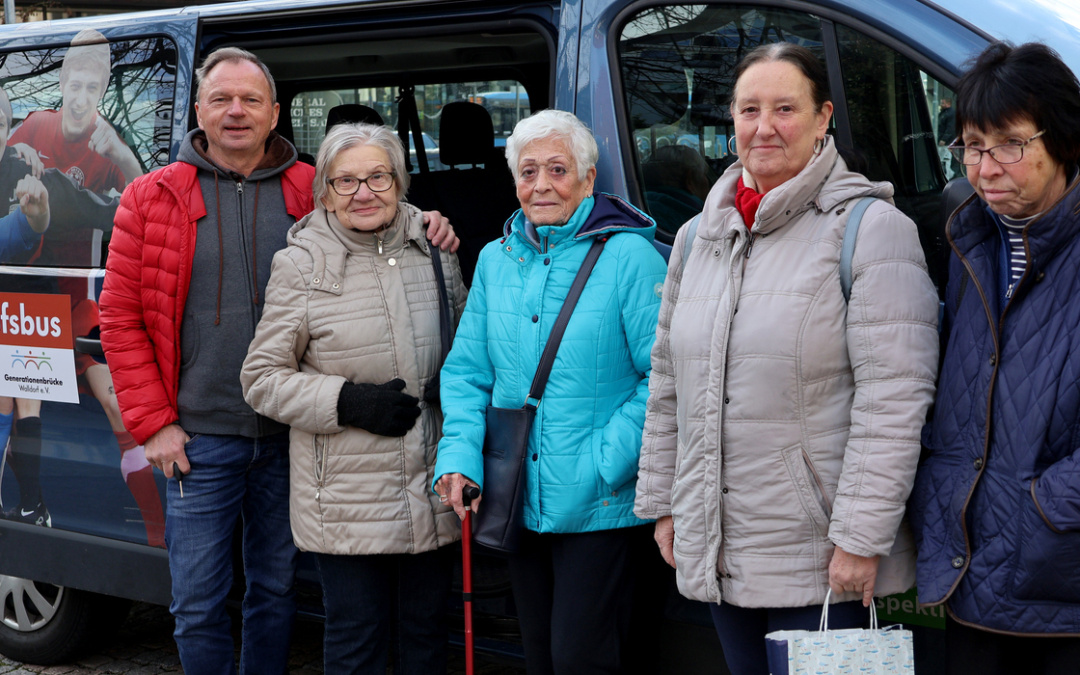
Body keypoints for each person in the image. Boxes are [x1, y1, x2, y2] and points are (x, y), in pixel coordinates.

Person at [98, 47, 457, 675]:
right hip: (198, 435)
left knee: (275, 591)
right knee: (199, 601)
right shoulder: (150, 197)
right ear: (199, 110)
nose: (236, 112)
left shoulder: (313, 185)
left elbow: (376, 218)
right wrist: (153, 423)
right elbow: (119, 317)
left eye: (251, 100)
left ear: (275, 113)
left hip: (296, 437)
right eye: (221, 100)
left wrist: (429, 222)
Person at [633, 42, 939, 675]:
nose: (763, 126)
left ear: (823, 117)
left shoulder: (871, 229)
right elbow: (668, 384)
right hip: (716, 539)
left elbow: (895, 399)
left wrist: (860, 538)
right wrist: (665, 504)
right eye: (749, 109)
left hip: (820, 553)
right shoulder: (698, 236)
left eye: (784, 108)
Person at [434, 109, 667, 675]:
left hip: (602, 503)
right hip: (519, 496)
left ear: (588, 180)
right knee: (539, 656)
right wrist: (460, 459)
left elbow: (665, 376)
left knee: (582, 658)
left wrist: (602, 461)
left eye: (558, 170)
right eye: (528, 170)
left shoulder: (630, 256)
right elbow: (468, 373)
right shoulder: (497, 259)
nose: (542, 185)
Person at [241, 122, 467, 675]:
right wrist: (345, 402)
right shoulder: (300, 265)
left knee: (427, 639)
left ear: (400, 183)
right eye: (345, 181)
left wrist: (453, 377)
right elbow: (261, 377)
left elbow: (468, 344)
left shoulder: (435, 249)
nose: (363, 193)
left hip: (433, 480)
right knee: (357, 643)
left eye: (377, 177)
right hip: (345, 498)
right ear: (324, 192)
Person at [910, 42, 1080, 675]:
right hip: (969, 570)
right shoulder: (969, 245)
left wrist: (1041, 508)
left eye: (1010, 143)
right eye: (972, 145)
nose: (986, 167)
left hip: (1057, 574)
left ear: (1062, 139)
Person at [0, 30, 162, 544]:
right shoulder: (34, 125)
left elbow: (152, 204)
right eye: (75, 83)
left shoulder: (111, 144)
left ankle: (160, 534)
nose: (81, 96)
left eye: (93, 87)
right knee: (18, 403)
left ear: (102, 88)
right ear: (63, 82)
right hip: (30, 300)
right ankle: (27, 511)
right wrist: (17, 146)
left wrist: (123, 153)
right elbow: (4, 174)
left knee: (120, 405)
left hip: (83, 302)